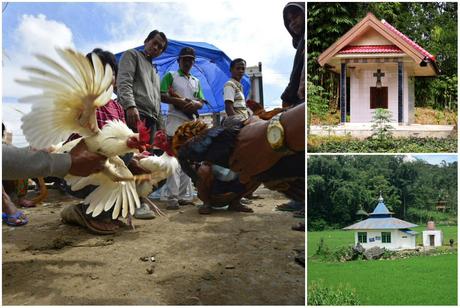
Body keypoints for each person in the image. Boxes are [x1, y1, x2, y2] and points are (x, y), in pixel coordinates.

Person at [159, 47, 204, 209]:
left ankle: (183, 196)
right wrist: (180, 102)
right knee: (174, 160)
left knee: (188, 160)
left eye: (190, 59)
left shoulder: (196, 81)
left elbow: (201, 101)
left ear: (193, 62)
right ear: (179, 61)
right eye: (184, 59)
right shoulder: (170, 76)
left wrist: (194, 104)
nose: (187, 62)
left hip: (190, 124)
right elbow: (162, 95)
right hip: (174, 122)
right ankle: (172, 198)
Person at [117, 30, 168, 144]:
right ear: (146, 41)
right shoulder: (132, 55)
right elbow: (124, 82)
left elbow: (157, 101)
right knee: (128, 155)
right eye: (154, 43)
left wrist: (161, 127)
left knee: (145, 157)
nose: (155, 48)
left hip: (151, 122)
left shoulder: (155, 72)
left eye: (160, 47)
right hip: (134, 114)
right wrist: (130, 106)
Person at [281, 2, 305, 108]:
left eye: (295, 17)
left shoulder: (304, 40)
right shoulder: (301, 42)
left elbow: (296, 73)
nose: (292, 23)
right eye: (289, 21)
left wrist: (287, 97)